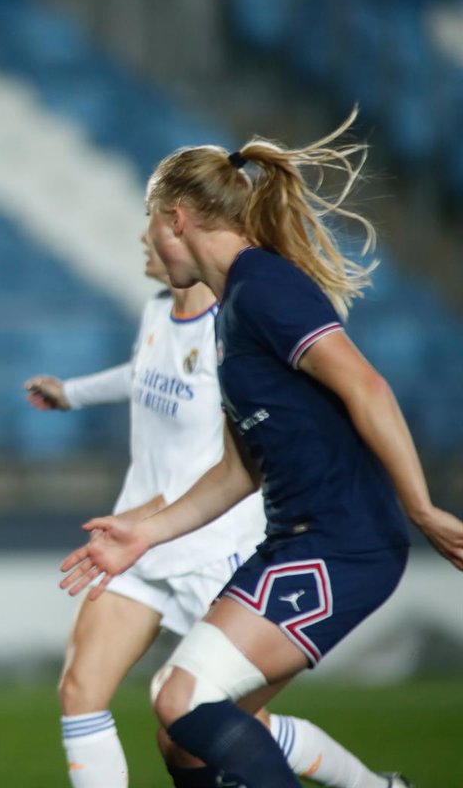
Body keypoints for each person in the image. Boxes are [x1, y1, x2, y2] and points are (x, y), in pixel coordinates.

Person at [58, 109, 463, 787]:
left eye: (149, 220)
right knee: (183, 739)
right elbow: (239, 469)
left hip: (340, 544)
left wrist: (421, 507)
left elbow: (366, 385)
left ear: (176, 218)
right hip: (298, 540)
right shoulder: (234, 308)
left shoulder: (265, 288)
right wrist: (144, 533)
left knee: (183, 699)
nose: (145, 236)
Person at [27, 232, 408, 787]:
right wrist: (71, 394)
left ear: (184, 231)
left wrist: (142, 522)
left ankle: (372, 786)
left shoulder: (231, 332)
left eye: (155, 222)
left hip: (205, 544)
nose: (143, 237)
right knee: (80, 691)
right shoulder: (157, 311)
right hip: (138, 545)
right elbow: (142, 372)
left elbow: (220, 468)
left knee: (213, 725)